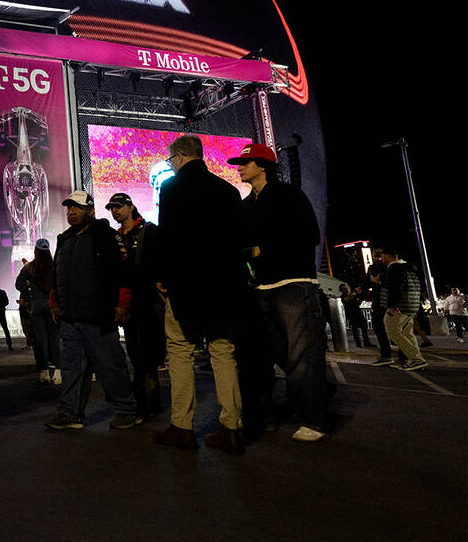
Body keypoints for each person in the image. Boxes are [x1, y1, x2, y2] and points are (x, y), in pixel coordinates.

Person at [151, 135, 246, 454]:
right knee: (223, 352)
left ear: (178, 157)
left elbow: (168, 236)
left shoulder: (172, 188)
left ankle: (182, 427)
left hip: (186, 287)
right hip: (224, 287)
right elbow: (237, 241)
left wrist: (163, 278)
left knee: (179, 350)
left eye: (169, 160)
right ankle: (231, 428)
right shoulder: (229, 191)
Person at [231, 143, 328, 444]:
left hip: (295, 285)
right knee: (266, 356)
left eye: (245, 162)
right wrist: (252, 252)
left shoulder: (289, 195)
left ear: (263, 165)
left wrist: (262, 249)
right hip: (261, 289)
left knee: (302, 355)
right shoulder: (246, 206)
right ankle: (269, 413)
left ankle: (313, 418)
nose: (240, 166)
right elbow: (241, 247)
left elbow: (310, 234)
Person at [43, 191, 141, 431]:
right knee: (71, 368)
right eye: (69, 208)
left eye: (76, 208)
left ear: (90, 210)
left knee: (110, 364)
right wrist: (54, 303)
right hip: (69, 318)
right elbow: (57, 275)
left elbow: (121, 272)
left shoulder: (106, 236)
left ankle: (127, 410)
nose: (71, 212)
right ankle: (70, 414)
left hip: (98, 316)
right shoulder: (64, 239)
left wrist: (122, 304)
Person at [105, 193, 165, 420]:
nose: (115, 211)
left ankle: (146, 402)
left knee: (146, 354)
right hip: (127, 304)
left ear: (131, 207)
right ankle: (150, 401)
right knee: (135, 352)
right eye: (112, 208)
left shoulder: (149, 231)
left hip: (147, 302)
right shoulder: (116, 237)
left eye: (119, 207)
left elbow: (159, 262)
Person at [375, 243, 427, 371]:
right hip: (412, 304)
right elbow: (418, 284)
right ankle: (416, 359)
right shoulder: (410, 266)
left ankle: (416, 359)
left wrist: (392, 305)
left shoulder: (394, 268)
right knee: (407, 332)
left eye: (382, 257)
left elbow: (396, 287)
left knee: (391, 328)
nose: (382, 260)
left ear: (387, 256)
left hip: (401, 305)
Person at [15, 240, 59, 385]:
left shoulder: (29, 267)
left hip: (37, 306)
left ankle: (44, 372)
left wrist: (29, 294)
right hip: (53, 305)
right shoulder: (55, 266)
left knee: (40, 340)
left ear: (36, 250)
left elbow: (18, 284)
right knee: (55, 339)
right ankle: (58, 372)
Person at [341, 283, 374, 349]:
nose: (346, 289)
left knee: (364, 327)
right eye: (344, 288)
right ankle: (358, 344)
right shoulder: (342, 297)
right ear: (341, 290)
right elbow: (348, 298)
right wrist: (355, 292)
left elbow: (358, 299)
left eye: (346, 288)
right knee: (355, 330)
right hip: (351, 315)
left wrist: (358, 294)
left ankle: (366, 342)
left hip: (358, 313)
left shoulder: (352, 294)